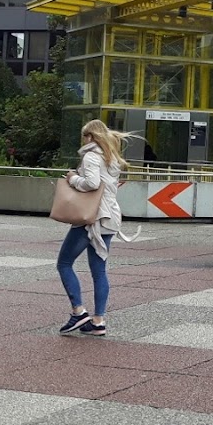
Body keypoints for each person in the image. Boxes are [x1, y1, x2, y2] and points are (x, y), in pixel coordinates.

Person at [57, 120, 141, 336]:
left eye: (85, 136)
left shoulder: (91, 156)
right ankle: (98, 321)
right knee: (99, 271)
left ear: (90, 137)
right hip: (110, 218)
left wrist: (73, 178)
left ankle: (78, 311)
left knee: (64, 263)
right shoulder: (111, 157)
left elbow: (92, 184)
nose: (83, 140)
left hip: (92, 218)